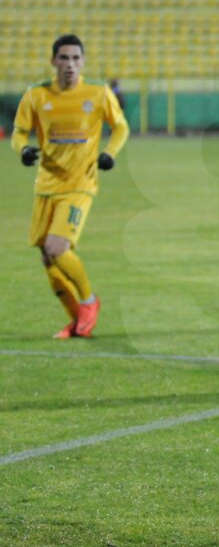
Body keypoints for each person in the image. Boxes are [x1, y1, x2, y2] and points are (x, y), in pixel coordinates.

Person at [11, 34, 129, 339]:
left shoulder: (98, 93)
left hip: (80, 184)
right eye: (64, 58)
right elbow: (19, 133)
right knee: (46, 258)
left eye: (76, 59)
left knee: (56, 247)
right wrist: (22, 150)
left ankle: (89, 302)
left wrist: (109, 154)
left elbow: (120, 127)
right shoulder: (36, 95)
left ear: (83, 62)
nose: (70, 65)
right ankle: (77, 323)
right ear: (53, 62)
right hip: (45, 185)